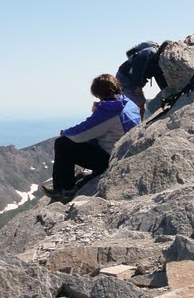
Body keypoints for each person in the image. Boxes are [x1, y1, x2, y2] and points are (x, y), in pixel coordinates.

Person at [42, 74, 141, 202]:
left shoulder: (109, 111)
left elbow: (80, 134)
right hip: (125, 152)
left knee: (63, 143)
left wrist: (65, 132)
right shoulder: (128, 103)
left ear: (99, 93)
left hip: (111, 158)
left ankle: (64, 190)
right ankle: (76, 181)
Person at [115, 41, 168, 119]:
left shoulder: (157, 59)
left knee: (140, 102)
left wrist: (165, 90)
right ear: (163, 48)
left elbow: (159, 76)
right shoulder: (150, 52)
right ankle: (133, 126)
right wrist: (138, 86)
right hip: (125, 78)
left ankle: (138, 123)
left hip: (130, 78)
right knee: (137, 103)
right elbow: (137, 66)